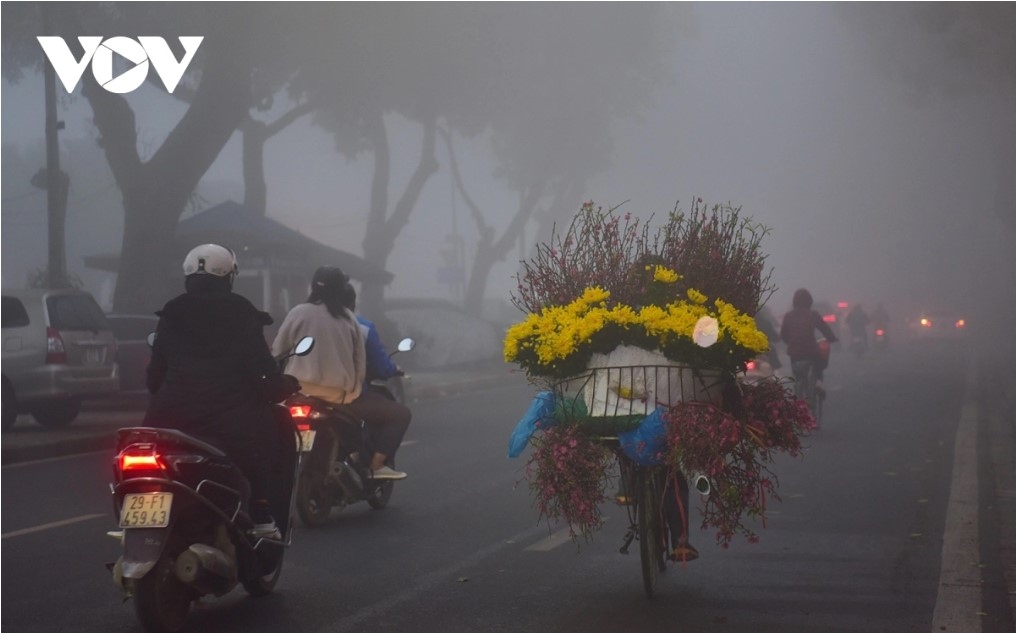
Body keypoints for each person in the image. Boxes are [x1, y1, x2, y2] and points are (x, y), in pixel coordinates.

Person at [144, 244, 300, 539]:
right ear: (229, 277)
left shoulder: (171, 313)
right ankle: (261, 513)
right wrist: (285, 385)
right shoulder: (241, 313)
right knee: (269, 436)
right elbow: (263, 373)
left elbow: (155, 377)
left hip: (167, 421)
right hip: (230, 423)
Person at [271, 267, 408, 480]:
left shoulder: (298, 312)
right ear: (340, 289)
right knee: (400, 414)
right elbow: (359, 364)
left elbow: (278, 350)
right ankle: (376, 466)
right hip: (339, 397)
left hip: (297, 392)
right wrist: (354, 391)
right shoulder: (350, 321)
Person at [779, 288, 839, 391]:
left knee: (797, 375)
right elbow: (825, 329)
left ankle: (798, 387)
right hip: (810, 350)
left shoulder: (788, 316)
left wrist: (792, 342)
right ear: (809, 301)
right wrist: (832, 339)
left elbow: (783, 335)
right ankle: (818, 382)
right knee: (818, 364)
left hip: (794, 352)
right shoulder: (813, 314)